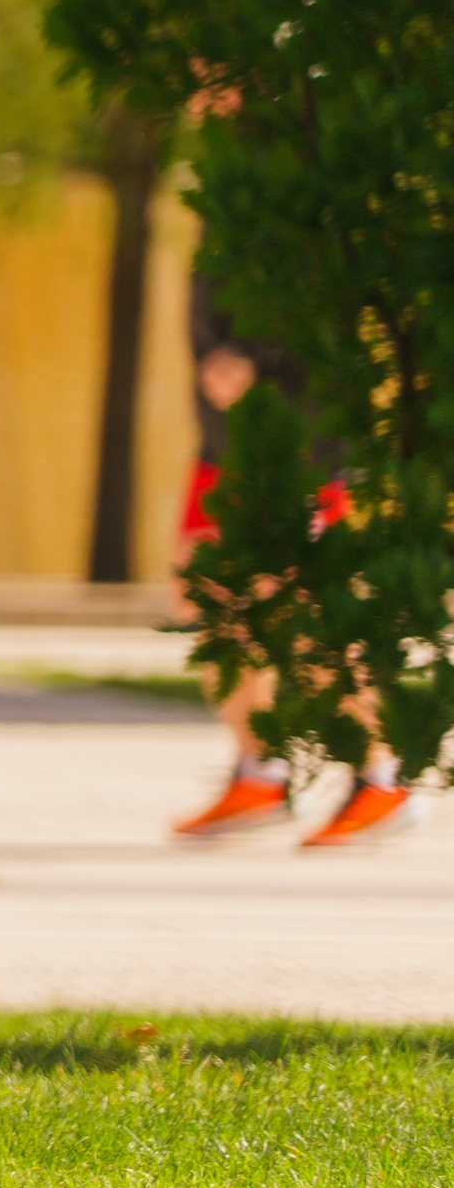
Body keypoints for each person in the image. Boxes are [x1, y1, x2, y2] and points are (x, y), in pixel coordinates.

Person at [170, 275, 411, 848]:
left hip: (300, 444)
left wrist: (251, 353)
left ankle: (384, 776)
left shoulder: (296, 194)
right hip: (228, 446)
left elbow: (318, 294)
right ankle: (261, 772)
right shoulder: (218, 198)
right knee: (211, 604)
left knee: (307, 614)